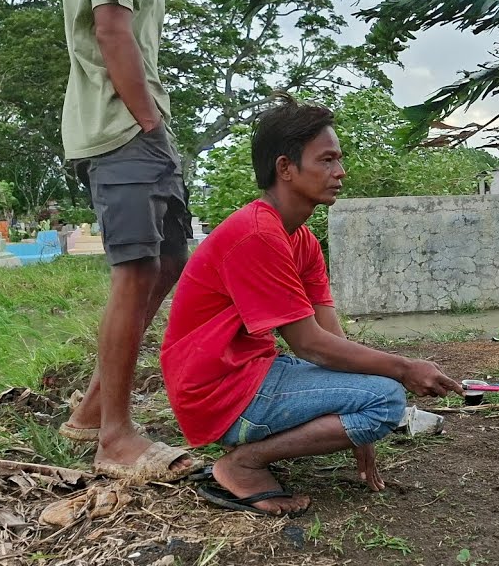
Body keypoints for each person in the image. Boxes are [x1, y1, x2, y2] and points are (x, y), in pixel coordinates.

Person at [161, 101, 463, 516]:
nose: (340, 172)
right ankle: (242, 465)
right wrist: (405, 367)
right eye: (327, 160)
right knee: (388, 400)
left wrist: (362, 435)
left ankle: (249, 453)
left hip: (252, 374)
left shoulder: (298, 238)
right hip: (217, 393)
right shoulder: (256, 235)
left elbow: (331, 338)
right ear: (286, 168)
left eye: (338, 159)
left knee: (376, 396)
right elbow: (310, 345)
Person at [57, 0, 196, 481]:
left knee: (169, 261)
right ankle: (115, 438)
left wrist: (155, 124)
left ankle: (90, 413)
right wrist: (144, 118)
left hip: (142, 127)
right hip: (121, 127)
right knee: (137, 270)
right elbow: (110, 27)